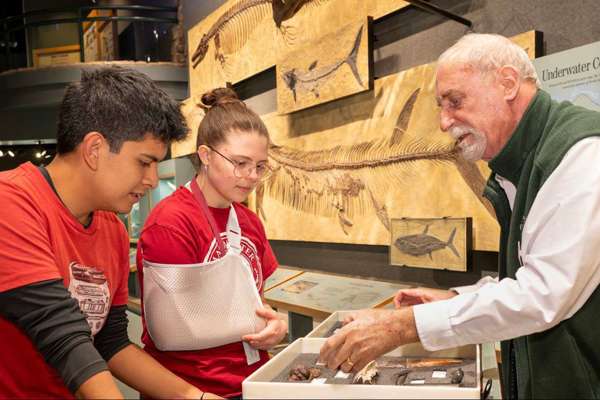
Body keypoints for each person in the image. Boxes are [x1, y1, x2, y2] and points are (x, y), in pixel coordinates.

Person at [319, 33, 600, 399]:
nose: (443, 121)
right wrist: (452, 299)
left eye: (455, 101)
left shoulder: (580, 154)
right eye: (442, 105)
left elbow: (544, 295)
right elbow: (530, 273)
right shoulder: (521, 164)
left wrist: (404, 326)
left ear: (507, 83)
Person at [0, 66, 206, 399]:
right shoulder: (11, 203)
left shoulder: (112, 229)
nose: (153, 179)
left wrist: (195, 397)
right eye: (144, 162)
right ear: (94, 149)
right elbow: (63, 337)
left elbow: (110, 343)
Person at [136, 87, 288, 399]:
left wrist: (274, 324)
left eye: (260, 166)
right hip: (193, 390)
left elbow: (252, 301)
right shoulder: (171, 223)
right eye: (240, 162)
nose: (251, 176)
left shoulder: (249, 223)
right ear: (205, 155)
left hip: (249, 382)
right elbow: (171, 330)